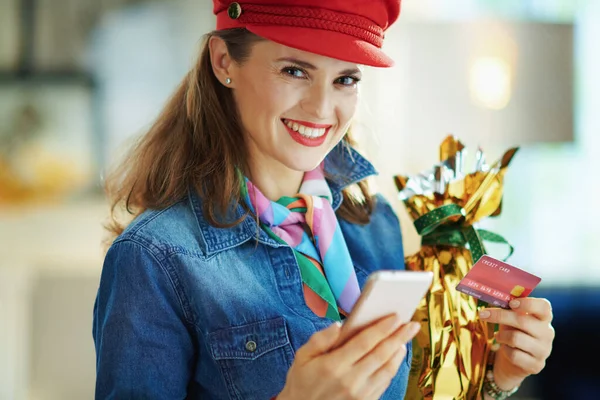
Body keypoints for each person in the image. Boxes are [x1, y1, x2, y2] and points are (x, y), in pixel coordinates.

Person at [92, 1, 556, 399]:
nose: (320, 108)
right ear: (223, 62)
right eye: (294, 70)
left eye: (346, 80)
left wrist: (498, 377)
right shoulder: (153, 259)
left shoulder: (375, 227)